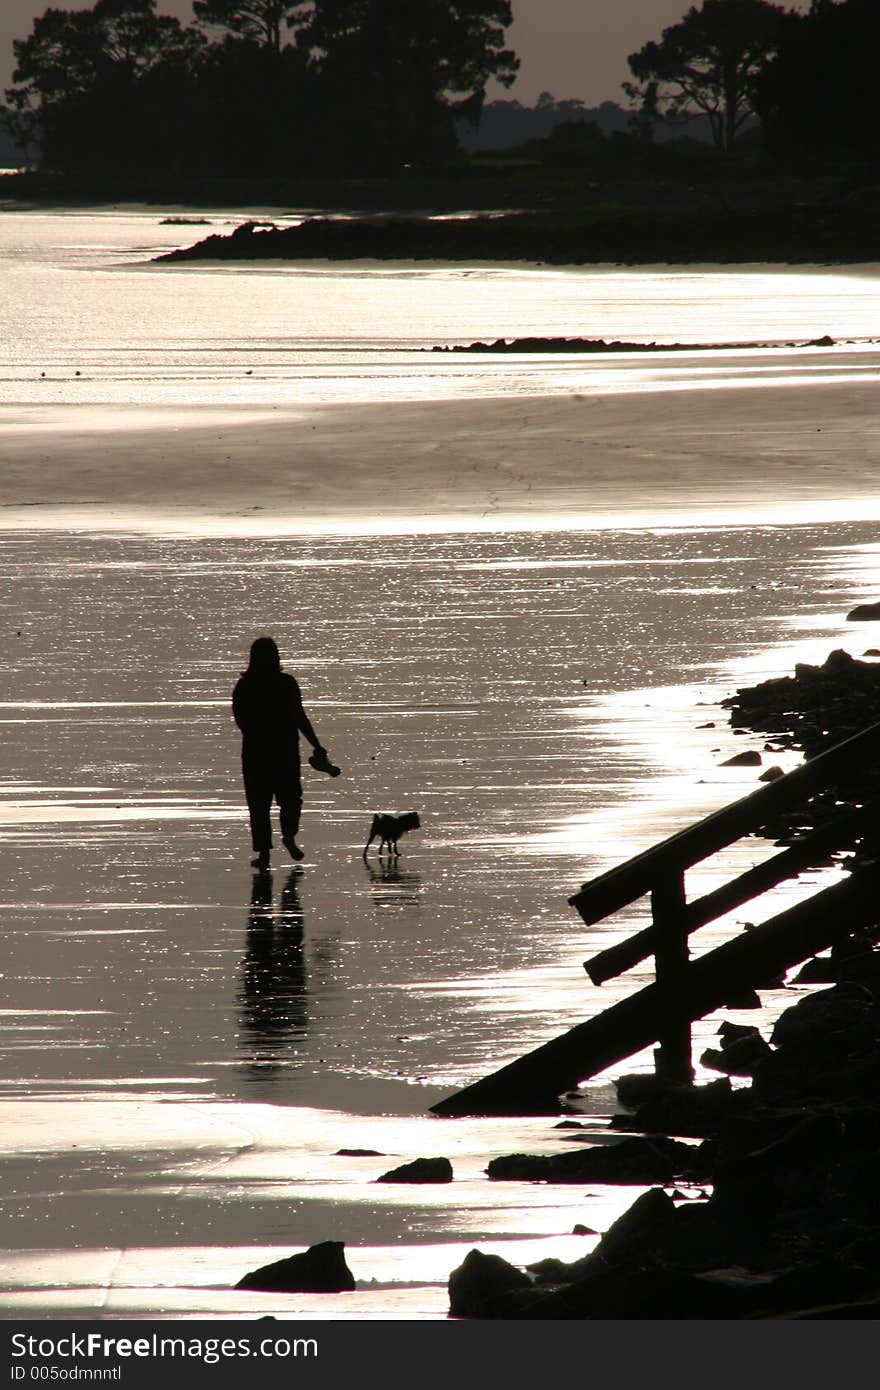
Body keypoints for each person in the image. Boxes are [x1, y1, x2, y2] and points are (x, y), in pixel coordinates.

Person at [232, 636, 332, 869]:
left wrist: (258, 734)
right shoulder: (286, 683)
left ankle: (265, 854)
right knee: (291, 799)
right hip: (285, 750)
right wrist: (315, 744)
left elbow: (241, 720)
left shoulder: (245, 686)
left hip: (255, 753)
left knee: (258, 804)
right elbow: (299, 716)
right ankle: (289, 835)